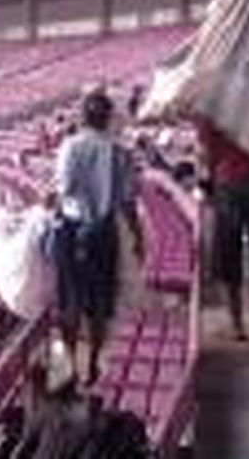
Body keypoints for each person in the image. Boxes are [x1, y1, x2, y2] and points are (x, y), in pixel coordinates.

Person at [52, 90, 145, 386]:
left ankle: (68, 363)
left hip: (72, 228)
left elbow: (64, 188)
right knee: (99, 304)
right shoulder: (120, 152)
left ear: (83, 116)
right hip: (104, 232)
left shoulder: (70, 146)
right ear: (107, 118)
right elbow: (128, 201)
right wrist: (138, 235)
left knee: (70, 301)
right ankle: (92, 363)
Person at [195, 116, 249, 350]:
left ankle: (237, 326)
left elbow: (206, 154)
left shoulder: (213, 103)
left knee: (227, 256)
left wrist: (207, 183)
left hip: (227, 185)